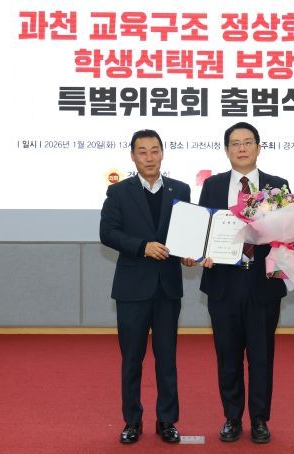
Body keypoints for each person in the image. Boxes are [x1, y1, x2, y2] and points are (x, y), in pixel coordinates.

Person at [198, 122, 290, 444]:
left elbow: (291, 233)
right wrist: (202, 252)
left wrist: (280, 234)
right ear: (226, 150)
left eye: (247, 142)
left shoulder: (277, 185)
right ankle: (232, 417)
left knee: (262, 356)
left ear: (258, 147)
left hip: (263, 283)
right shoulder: (212, 185)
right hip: (223, 283)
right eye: (235, 143)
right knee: (228, 356)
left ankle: (260, 419)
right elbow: (204, 231)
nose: (241, 148)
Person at [100, 129, 191, 444]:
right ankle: (132, 421)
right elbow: (108, 233)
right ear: (133, 156)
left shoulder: (181, 189)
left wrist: (190, 253)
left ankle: (167, 421)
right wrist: (143, 247)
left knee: (167, 359)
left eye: (155, 150)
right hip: (132, 289)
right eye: (142, 151)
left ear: (163, 153)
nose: (149, 157)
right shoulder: (119, 192)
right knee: (131, 360)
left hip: (168, 288)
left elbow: (186, 233)